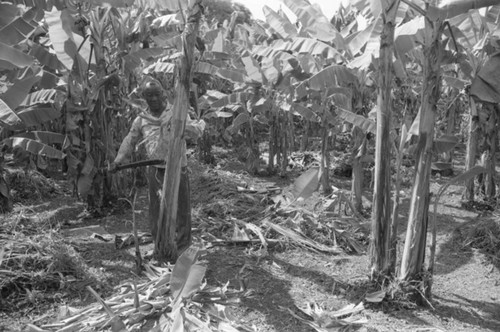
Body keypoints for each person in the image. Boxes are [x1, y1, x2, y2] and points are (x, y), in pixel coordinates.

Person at [109, 78, 205, 257]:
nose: (153, 99)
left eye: (156, 94)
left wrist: (180, 125)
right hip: (155, 169)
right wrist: (118, 160)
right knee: (156, 210)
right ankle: (160, 246)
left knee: (182, 209)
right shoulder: (142, 119)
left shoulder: (176, 113)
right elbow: (130, 140)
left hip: (178, 168)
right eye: (149, 96)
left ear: (163, 94)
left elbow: (196, 133)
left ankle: (183, 248)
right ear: (144, 98)